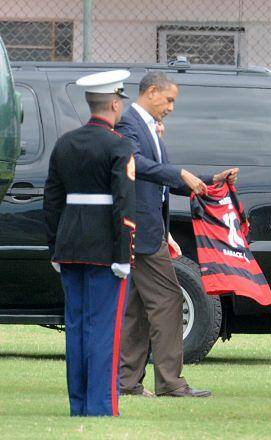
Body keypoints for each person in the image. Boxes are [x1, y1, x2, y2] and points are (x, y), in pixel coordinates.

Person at [117, 72, 238, 398]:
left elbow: (164, 180)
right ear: (151, 92)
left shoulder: (148, 127)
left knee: (139, 307)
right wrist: (177, 173)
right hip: (140, 233)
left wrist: (212, 179)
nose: (171, 107)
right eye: (168, 99)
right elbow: (134, 163)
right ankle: (170, 383)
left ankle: (127, 383)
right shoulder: (129, 123)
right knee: (169, 301)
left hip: (150, 230)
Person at [43, 70, 136, 416]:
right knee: (104, 332)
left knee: (78, 329)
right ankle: (100, 407)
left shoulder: (65, 143)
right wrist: (124, 254)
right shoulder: (119, 146)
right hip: (105, 251)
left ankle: (79, 404)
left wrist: (55, 246)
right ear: (114, 102)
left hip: (70, 247)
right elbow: (124, 206)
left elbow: (52, 200)